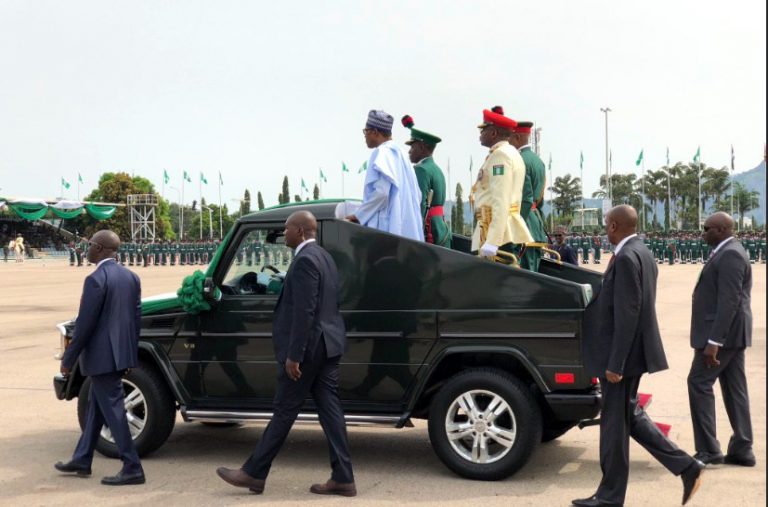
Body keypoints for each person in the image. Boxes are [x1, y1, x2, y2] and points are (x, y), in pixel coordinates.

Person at [217, 211, 356, 497]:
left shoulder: (305, 260)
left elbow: (305, 311)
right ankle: (343, 478)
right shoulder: (324, 257)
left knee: (284, 411)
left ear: (301, 231)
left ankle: (254, 473)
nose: (284, 233)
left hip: (309, 350)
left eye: (287, 228)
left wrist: (295, 355)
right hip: (328, 345)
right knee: (330, 412)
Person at [574, 205, 703, 507]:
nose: (605, 229)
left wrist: (615, 363)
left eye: (607, 224)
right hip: (631, 354)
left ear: (614, 225)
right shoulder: (641, 251)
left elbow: (628, 313)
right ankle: (686, 467)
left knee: (613, 428)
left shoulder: (626, 257)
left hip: (622, 358)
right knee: (629, 416)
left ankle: (610, 497)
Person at [55, 229, 145, 486]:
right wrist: (129, 356)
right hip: (119, 355)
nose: (87, 249)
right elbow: (135, 321)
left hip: (101, 358)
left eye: (90, 245)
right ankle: (82, 458)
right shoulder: (131, 277)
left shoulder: (95, 279)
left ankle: (132, 467)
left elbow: (85, 325)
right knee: (96, 407)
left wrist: (68, 359)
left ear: (100, 248)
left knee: (114, 412)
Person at [687, 212, 754, 467]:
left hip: (723, 335)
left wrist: (715, 341)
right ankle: (742, 448)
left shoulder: (731, 254)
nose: (703, 233)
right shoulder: (725, 252)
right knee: (735, 389)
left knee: (698, 383)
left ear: (722, 229)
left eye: (707, 229)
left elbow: (729, 301)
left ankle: (709, 449)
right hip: (732, 334)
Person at [345, 110, 424, 241]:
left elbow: (382, 193)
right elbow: (418, 195)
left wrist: (359, 216)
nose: (365, 136)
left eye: (366, 131)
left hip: (388, 230)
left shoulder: (382, 153)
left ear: (375, 132)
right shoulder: (402, 154)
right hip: (408, 231)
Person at [470, 106, 533, 259]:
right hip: (500, 230)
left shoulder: (500, 156)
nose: (480, 134)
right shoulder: (511, 153)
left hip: (497, 233)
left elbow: (501, 199)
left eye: (483, 130)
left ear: (493, 133)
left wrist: (493, 241)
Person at [401, 114, 451, 247]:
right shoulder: (437, 169)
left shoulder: (421, 170)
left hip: (428, 232)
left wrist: (412, 234)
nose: (409, 151)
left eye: (412, 147)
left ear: (422, 147)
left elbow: (419, 206)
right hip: (440, 229)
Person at [509, 120, 547, 271]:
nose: (508, 142)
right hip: (535, 221)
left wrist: (517, 222)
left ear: (517, 137)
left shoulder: (519, 160)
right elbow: (540, 199)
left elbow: (525, 197)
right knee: (533, 271)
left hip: (523, 221)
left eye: (510, 138)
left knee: (524, 274)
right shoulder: (538, 161)